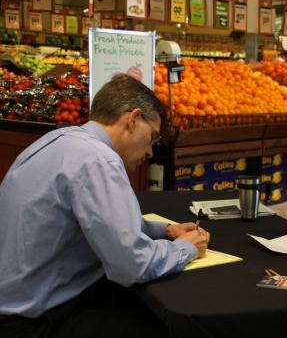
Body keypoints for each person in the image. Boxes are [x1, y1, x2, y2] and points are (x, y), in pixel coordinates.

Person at [0, 73, 210, 337]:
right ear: (133, 120)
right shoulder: (99, 160)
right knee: (171, 327)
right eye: (152, 138)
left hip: (17, 306)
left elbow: (100, 221)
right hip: (37, 323)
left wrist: (165, 231)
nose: (150, 152)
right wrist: (185, 249)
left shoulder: (59, 140)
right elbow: (132, 265)